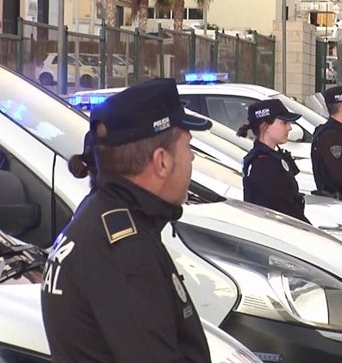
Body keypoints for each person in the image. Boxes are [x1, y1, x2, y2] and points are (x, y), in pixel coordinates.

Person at [41, 78, 213, 363]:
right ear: (162, 161)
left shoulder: (100, 213)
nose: (192, 157)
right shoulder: (125, 252)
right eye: (188, 146)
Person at [238, 98, 310, 223]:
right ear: (265, 126)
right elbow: (284, 209)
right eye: (284, 123)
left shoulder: (273, 157)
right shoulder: (263, 164)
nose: (289, 128)